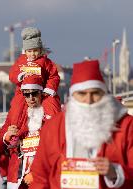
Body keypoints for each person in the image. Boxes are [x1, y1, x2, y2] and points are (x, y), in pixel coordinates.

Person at [30, 60, 133, 189]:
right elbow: (40, 175)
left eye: (95, 93)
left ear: (104, 93)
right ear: (73, 95)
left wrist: (116, 172)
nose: (88, 100)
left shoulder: (126, 126)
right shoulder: (53, 127)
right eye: (82, 94)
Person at [7, 27, 61, 133]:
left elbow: (54, 76)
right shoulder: (21, 61)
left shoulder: (45, 62)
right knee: (17, 107)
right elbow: (12, 74)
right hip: (23, 92)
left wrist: (49, 89)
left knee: (51, 104)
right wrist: (20, 76)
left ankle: (53, 126)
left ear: (40, 50)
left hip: (42, 91)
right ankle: (16, 129)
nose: (32, 54)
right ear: (25, 51)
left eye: (35, 51)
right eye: (29, 51)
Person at [2, 75, 47, 189]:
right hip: (19, 169)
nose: (31, 98)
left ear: (41, 93)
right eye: (27, 94)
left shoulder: (49, 114)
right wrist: (8, 136)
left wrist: (35, 171)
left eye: (35, 93)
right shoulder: (17, 115)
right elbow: (2, 137)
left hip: (41, 170)